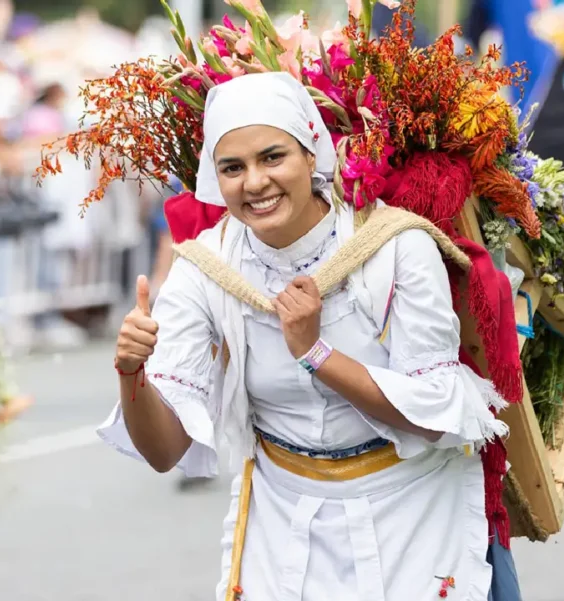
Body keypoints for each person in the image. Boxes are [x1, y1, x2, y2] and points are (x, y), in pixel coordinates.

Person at [98, 72, 509, 600]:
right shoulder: (206, 267)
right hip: (282, 517)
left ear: (312, 155)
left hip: (413, 508)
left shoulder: (393, 244)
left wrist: (316, 353)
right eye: (233, 168)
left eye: (273, 157)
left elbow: (433, 417)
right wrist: (132, 375)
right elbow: (164, 451)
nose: (254, 183)